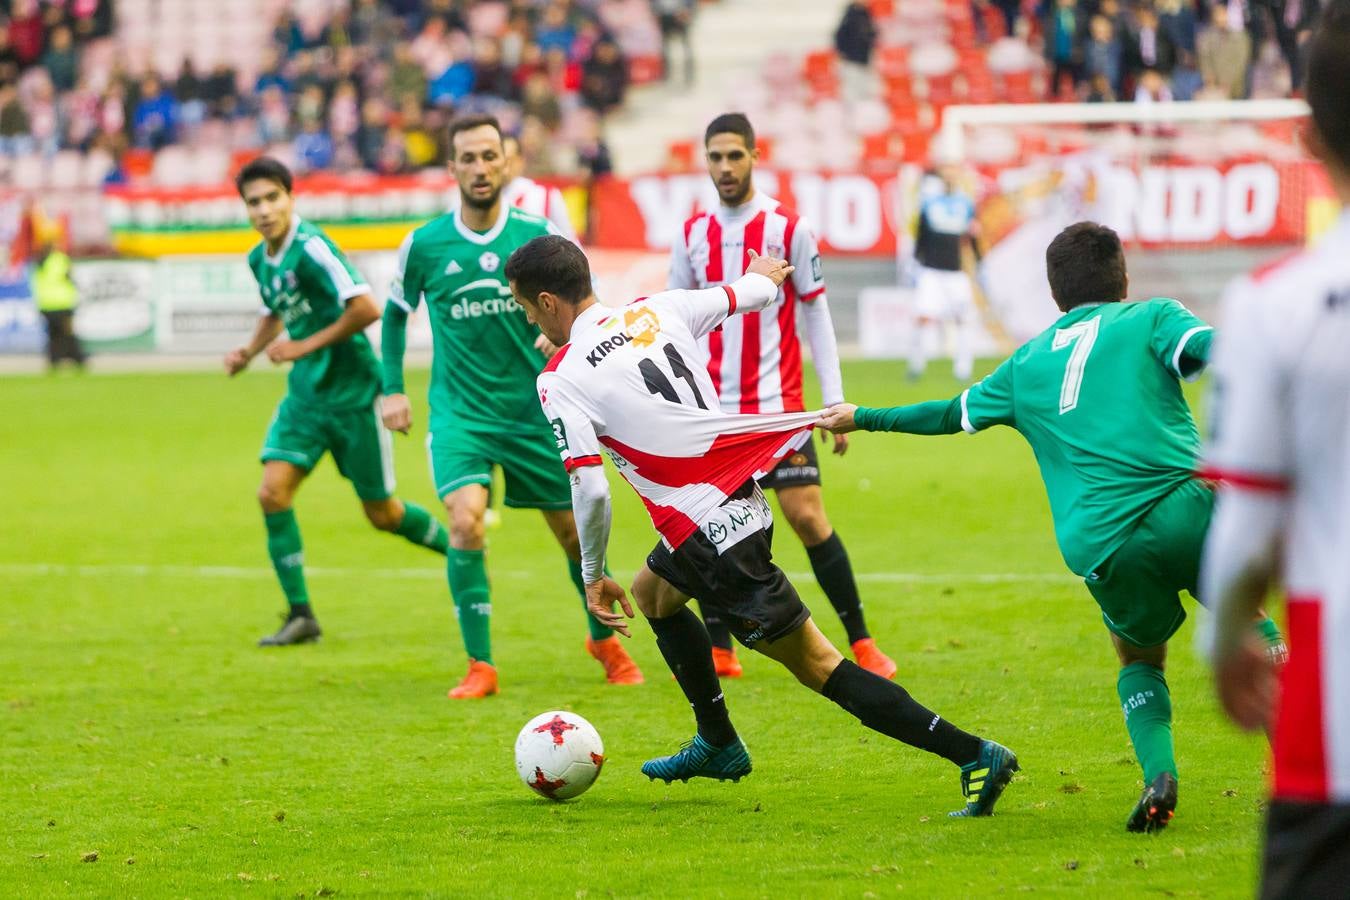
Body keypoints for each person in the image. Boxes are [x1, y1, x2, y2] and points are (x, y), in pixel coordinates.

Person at [508, 233, 1019, 816]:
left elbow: (591, 486)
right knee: (654, 595)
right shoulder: (658, 308)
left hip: (707, 534)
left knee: (820, 665)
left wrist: (592, 572)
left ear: (549, 302)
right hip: (740, 504)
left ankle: (973, 753)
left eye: (527, 308)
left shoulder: (560, 377)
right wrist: (763, 272)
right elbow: (749, 292)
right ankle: (718, 742)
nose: (529, 321)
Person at [820, 221, 1286, 833]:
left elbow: (946, 414)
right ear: (1123, 276)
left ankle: (1160, 774)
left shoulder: (1025, 363)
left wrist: (864, 416)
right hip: (1183, 504)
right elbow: (1207, 347)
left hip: (1103, 543)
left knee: (1139, 658)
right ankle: (1297, 765)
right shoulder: (1150, 317)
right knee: (1251, 624)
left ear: (1054, 293)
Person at [380, 115, 642, 698]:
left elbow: (580, 302)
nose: (479, 168)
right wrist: (391, 386)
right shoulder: (423, 244)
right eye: (467, 158)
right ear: (452, 168)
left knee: (575, 538)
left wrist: (563, 332)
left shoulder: (536, 234)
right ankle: (481, 665)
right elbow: (395, 313)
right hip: (461, 415)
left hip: (535, 412)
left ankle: (601, 639)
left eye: (488, 157)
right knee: (465, 522)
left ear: (507, 162)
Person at [1200, 5, 1350, 893]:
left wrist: (1223, 651)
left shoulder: (1276, 304)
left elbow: (1247, 534)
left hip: (1333, 740)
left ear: (1308, 131)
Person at [668, 113, 897, 681]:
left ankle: (863, 642)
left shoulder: (787, 227)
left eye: (734, 156)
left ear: (754, 155)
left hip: (778, 408)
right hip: (713, 412)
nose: (724, 167)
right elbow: (675, 319)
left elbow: (815, 312)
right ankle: (720, 648)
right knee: (708, 528)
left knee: (807, 515)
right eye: (715, 157)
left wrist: (835, 403)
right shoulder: (692, 232)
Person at [225, 157, 450, 647]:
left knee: (382, 514)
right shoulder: (259, 258)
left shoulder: (313, 248)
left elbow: (366, 307)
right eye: (254, 202)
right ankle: (301, 614)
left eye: (271, 198)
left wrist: (301, 347)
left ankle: (460, 552)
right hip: (306, 397)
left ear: (290, 198)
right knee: (271, 494)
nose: (263, 210)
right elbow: (275, 311)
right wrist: (249, 351)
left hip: (353, 397)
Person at [907, 164, 980, 383]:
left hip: (955, 272)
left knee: (964, 319)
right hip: (932, 271)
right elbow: (921, 236)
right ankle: (916, 364)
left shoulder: (965, 204)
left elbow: (973, 235)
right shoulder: (929, 204)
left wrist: (980, 262)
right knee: (923, 318)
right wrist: (915, 263)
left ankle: (963, 368)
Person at [448, 133, 578, 243]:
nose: (504, 166)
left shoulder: (545, 195)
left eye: (509, 160)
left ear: (521, 161)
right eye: (494, 159)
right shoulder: (464, 196)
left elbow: (570, 243)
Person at [30, 231, 87, 371]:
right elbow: (69, 276)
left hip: (46, 304)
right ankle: (78, 358)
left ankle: (54, 360)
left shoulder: (38, 262)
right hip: (62, 302)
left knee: (53, 334)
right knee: (68, 332)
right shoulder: (59, 259)